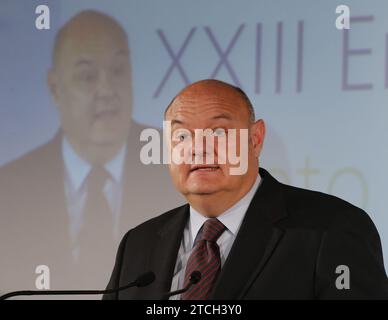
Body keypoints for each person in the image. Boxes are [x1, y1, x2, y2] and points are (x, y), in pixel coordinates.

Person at [104, 79, 388, 299]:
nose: (198, 149)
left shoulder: (334, 229)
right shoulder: (138, 244)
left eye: (218, 133)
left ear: (255, 139)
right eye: (181, 135)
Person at [0, 10, 182, 292]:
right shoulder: (10, 184)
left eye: (118, 71)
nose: (107, 89)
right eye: (87, 76)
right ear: (55, 87)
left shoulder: (180, 163)